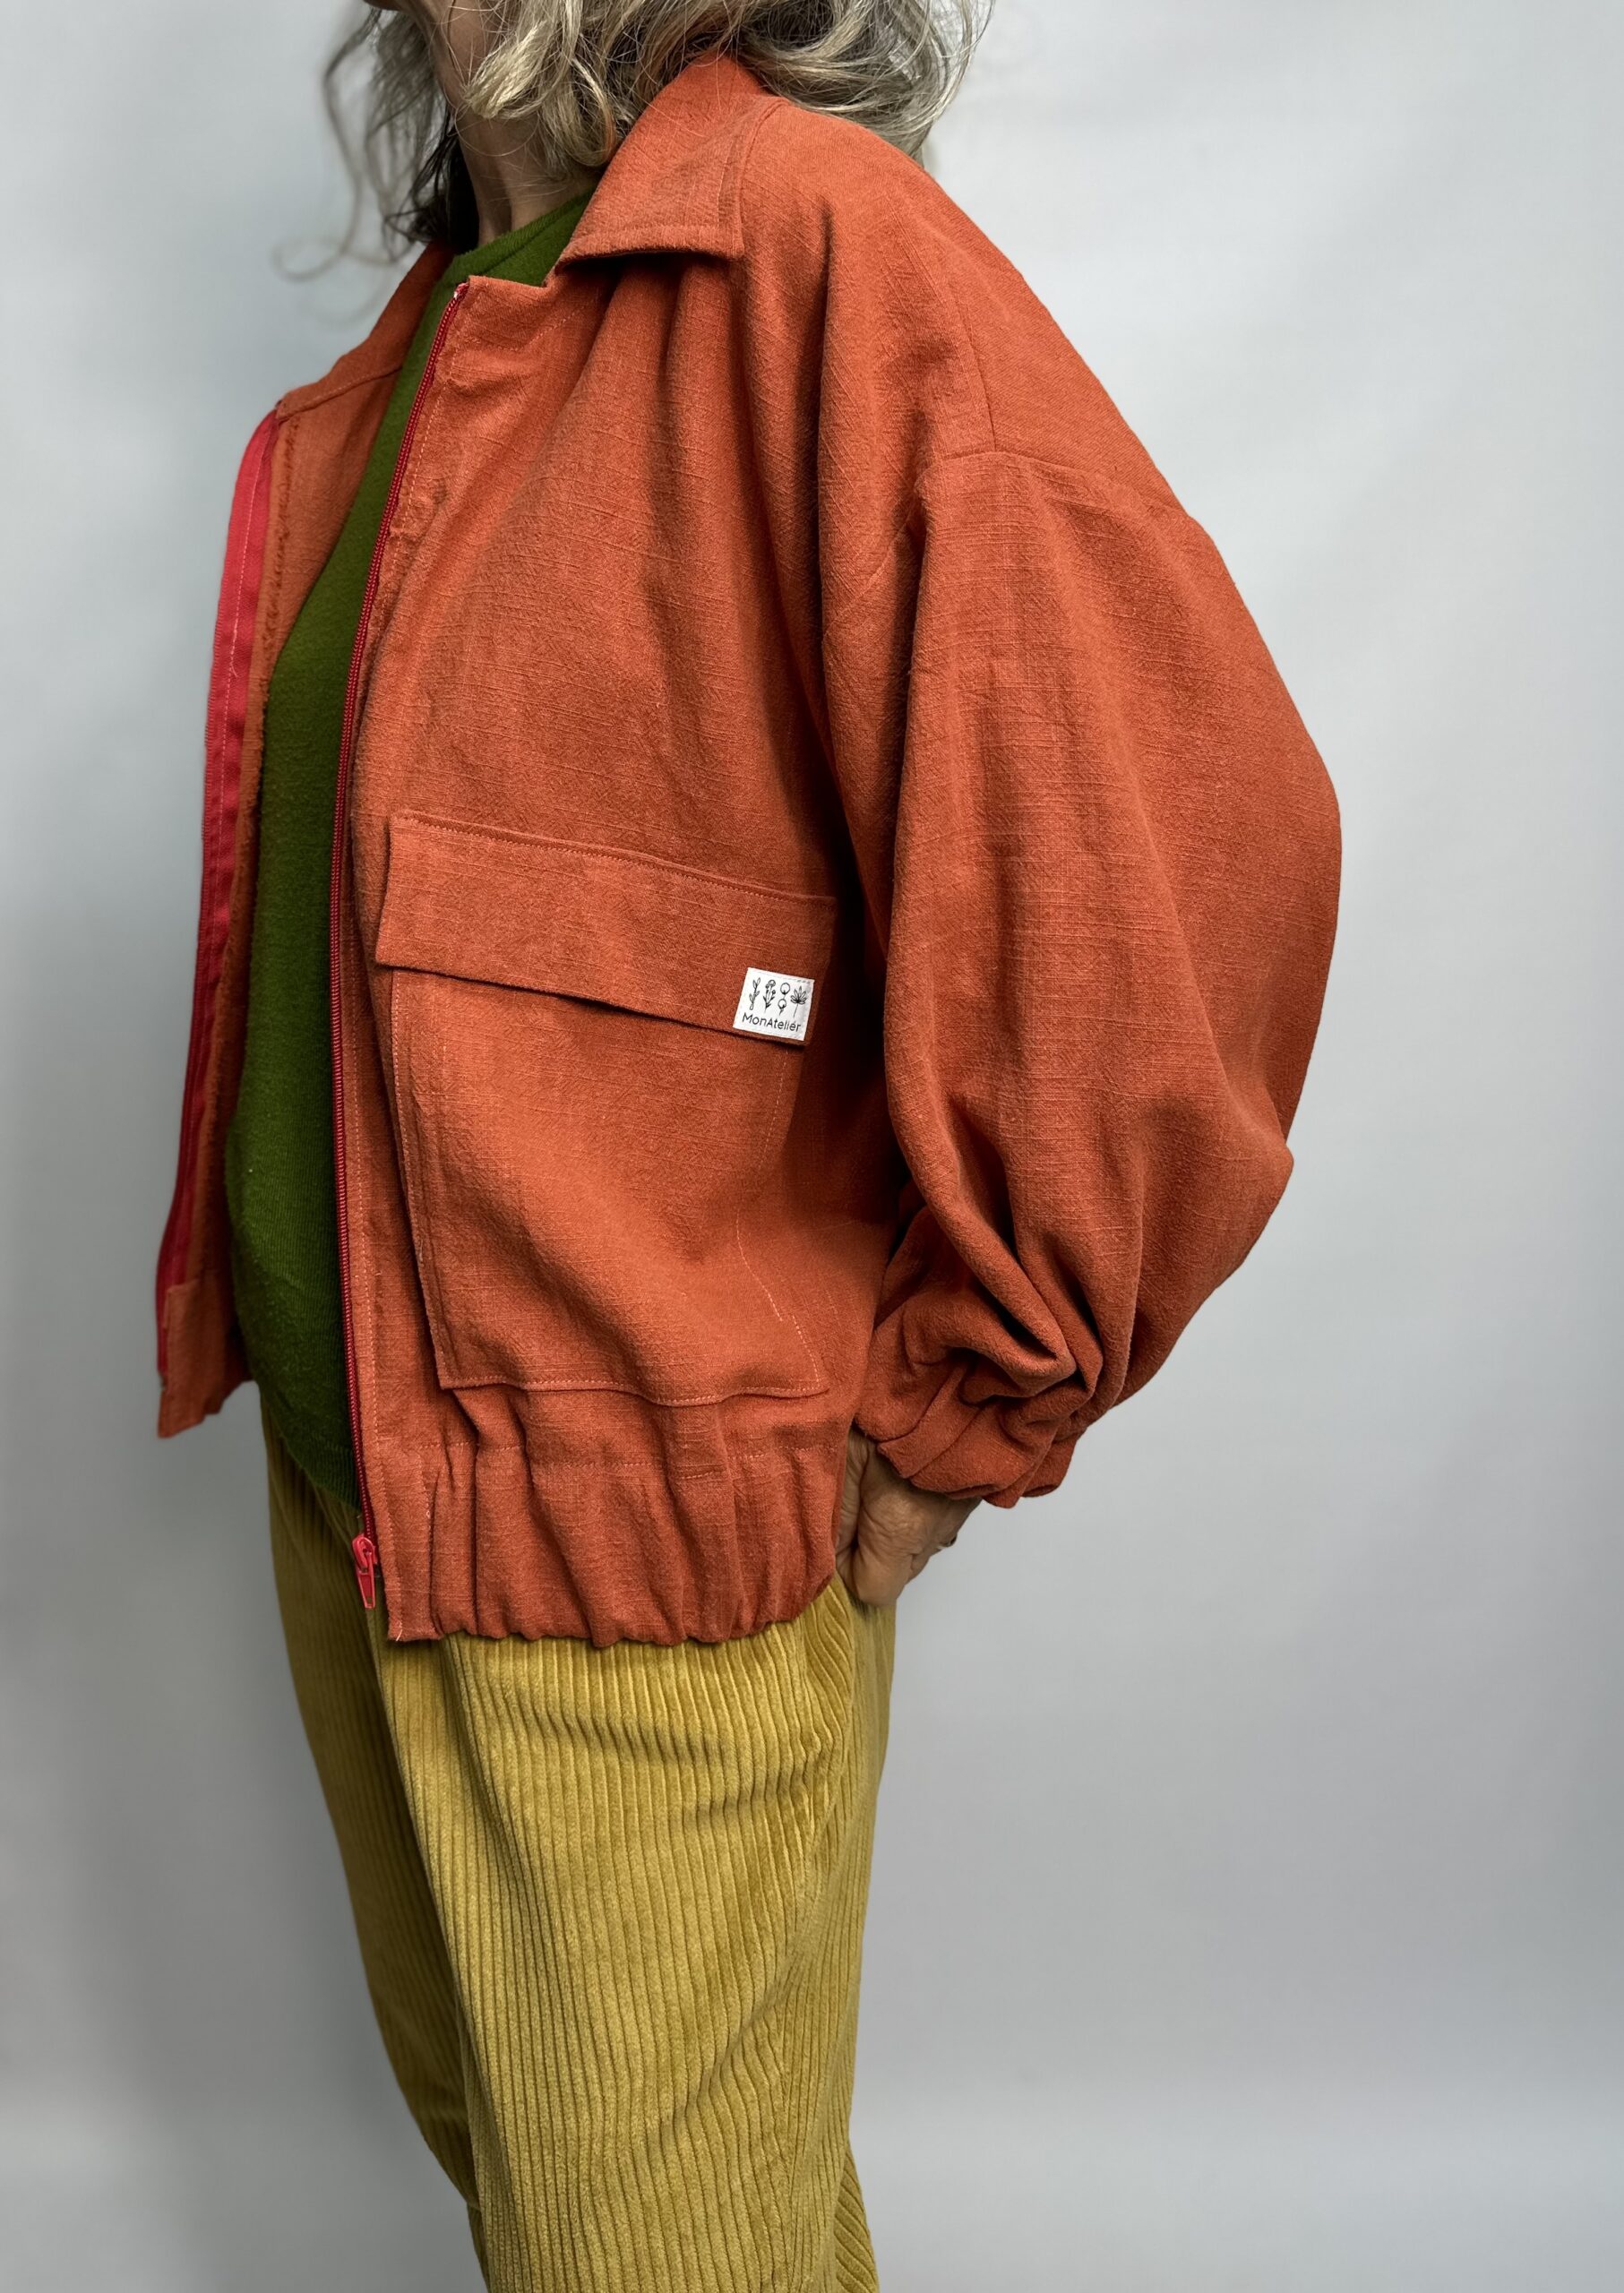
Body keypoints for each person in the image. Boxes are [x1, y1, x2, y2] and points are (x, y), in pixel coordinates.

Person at [153, 3, 1341, 2285]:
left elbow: (1187, 843)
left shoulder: (810, 249)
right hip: (355, 1482)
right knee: (593, 2210)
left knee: (648, 2251)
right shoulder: (437, 338)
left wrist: (984, 1386)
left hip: (635, 1515)